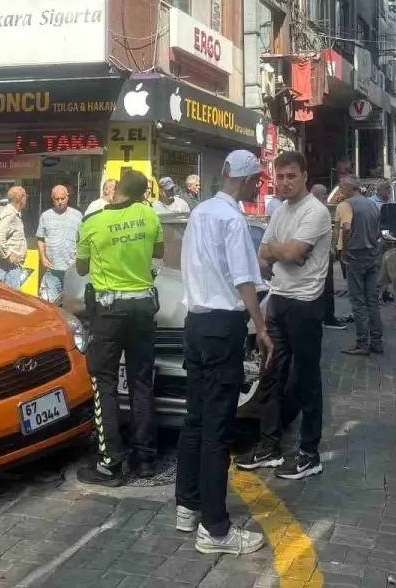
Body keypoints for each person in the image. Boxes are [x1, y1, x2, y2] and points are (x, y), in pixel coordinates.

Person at [176, 150, 273, 556]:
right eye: (258, 182)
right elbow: (245, 280)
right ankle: (215, 530)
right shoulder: (232, 219)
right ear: (249, 181)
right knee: (217, 428)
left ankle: (188, 504)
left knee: (196, 420)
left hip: (195, 324)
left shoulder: (200, 212)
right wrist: (261, 328)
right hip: (221, 328)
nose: (257, 187)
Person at [236, 151, 332, 481]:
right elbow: (263, 254)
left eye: (292, 175)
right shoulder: (280, 210)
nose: (286, 182)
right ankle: (269, 447)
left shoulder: (316, 212)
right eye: (282, 177)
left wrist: (283, 250)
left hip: (305, 305)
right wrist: (284, 251)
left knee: (306, 380)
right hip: (278, 300)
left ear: (305, 175)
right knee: (270, 375)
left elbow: (287, 252)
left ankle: (309, 453)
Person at [74, 170, 163, 487]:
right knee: (142, 382)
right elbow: (159, 252)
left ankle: (110, 463)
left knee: (105, 382)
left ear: (115, 192)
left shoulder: (92, 222)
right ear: (141, 194)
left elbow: (81, 267)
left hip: (109, 311)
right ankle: (146, 459)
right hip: (143, 307)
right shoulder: (149, 216)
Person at [335, 177, 384, 356]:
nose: (340, 189)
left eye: (342, 186)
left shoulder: (347, 205)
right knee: (372, 300)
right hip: (372, 254)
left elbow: (346, 228)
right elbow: (378, 231)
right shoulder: (371, 204)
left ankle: (363, 343)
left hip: (356, 255)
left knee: (358, 301)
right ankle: (377, 342)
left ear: (350, 187)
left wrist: (344, 251)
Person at [36, 185, 82, 305]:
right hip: (53, 269)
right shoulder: (45, 216)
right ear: (52, 198)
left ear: (68, 197)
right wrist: (42, 257)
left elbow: (82, 240)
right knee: (53, 304)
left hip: (72, 269)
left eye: (63, 198)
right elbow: (40, 238)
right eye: (57, 199)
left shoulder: (78, 216)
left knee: (72, 304)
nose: (60, 202)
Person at [311, 184, 348, 331]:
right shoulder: (317, 211)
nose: (326, 198)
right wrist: (329, 249)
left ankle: (324, 317)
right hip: (321, 255)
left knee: (322, 288)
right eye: (324, 194)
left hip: (320, 255)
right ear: (317, 194)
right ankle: (327, 318)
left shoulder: (314, 210)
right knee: (326, 288)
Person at [0, 186, 29, 289]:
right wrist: (8, 254)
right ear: (22, 199)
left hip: (4, 264)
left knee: (3, 297)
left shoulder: (6, 211)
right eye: (26, 196)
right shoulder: (10, 214)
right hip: (8, 266)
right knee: (11, 300)